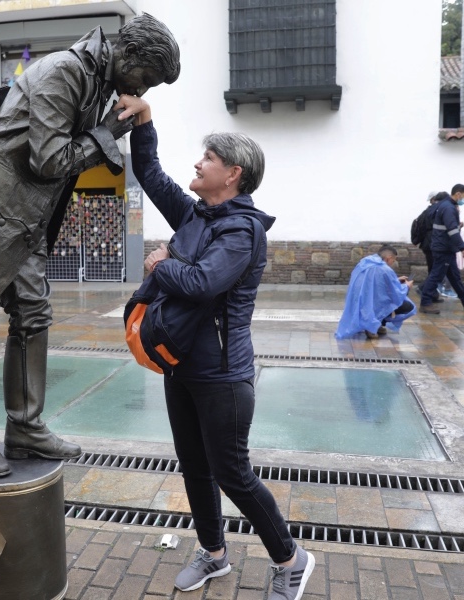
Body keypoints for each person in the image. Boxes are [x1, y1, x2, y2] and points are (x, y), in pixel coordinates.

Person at [0, 14, 181, 478]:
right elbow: (49, 161)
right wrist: (106, 134)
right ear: (129, 55)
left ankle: (25, 427)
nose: (144, 91)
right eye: (146, 79)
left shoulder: (99, 79)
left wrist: (111, 130)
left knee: (34, 312)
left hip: (24, 218)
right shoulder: (65, 71)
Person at [121, 94, 315, 600]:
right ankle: (213, 553)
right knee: (194, 465)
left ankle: (291, 560)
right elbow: (150, 172)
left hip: (223, 375)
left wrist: (161, 263)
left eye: (207, 158)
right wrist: (144, 120)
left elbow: (204, 282)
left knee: (233, 473)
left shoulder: (243, 229)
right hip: (180, 365)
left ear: (233, 173)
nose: (197, 163)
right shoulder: (195, 214)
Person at [419, 184, 464, 314]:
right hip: (444, 248)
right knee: (436, 275)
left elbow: (448, 226)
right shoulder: (449, 207)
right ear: (458, 194)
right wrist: (462, 247)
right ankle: (425, 302)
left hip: (445, 247)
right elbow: (452, 230)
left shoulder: (445, 205)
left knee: (454, 277)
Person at [335, 244, 417, 339]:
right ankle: (373, 325)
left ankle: (375, 324)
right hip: (371, 304)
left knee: (380, 301)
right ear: (388, 258)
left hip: (357, 302)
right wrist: (406, 286)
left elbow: (375, 284)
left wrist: (396, 280)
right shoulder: (384, 269)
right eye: (393, 261)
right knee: (408, 306)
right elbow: (395, 293)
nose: (392, 263)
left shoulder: (364, 262)